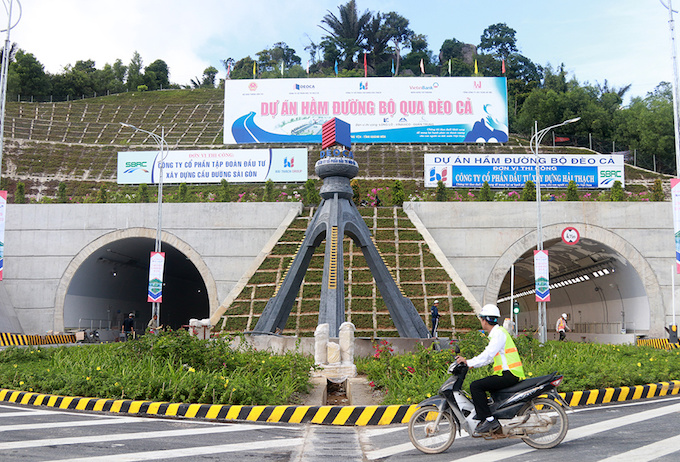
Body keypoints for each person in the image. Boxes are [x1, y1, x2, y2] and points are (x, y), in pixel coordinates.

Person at [455, 304, 525, 435]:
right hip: (507, 373)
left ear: (484, 320)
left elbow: (488, 354)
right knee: (485, 390)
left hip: (509, 374)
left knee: (476, 386)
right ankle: (493, 416)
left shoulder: (498, 334)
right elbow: (489, 358)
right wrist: (470, 364)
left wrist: (469, 361)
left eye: (481, 319)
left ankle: (490, 420)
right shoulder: (498, 333)